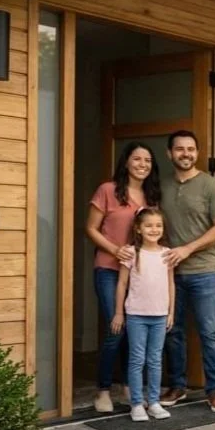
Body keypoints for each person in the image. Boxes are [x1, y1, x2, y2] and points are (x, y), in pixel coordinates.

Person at [85, 141, 161, 413]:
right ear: (126, 162)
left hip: (139, 275)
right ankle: (103, 390)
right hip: (108, 269)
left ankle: (130, 388)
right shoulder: (108, 190)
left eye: (148, 161)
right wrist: (115, 250)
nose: (142, 165)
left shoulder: (152, 197)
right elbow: (91, 229)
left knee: (135, 331)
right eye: (137, 159)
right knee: (116, 329)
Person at [158, 130, 215, 413]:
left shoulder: (212, 186)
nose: (185, 154)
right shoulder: (161, 186)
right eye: (179, 149)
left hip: (204, 272)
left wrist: (187, 249)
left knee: (208, 332)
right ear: (170, 153)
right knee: (172, 331)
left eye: (190, 149)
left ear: (197, 153)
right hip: (169, 273)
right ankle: (178, 385)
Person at [112, 207, 175, 422]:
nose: (154, 229)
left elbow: (170, 284)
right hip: (137, 314)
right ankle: (137, 404)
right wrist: (119, 313)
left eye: (158, 225)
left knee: (155, 360)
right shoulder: (131, 253)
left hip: (159, 315)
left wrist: (170, 312)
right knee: (137, 359)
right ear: (138, 228)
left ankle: (154, 402)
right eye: (148, 225)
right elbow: (122, 284)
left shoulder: (167, 254)